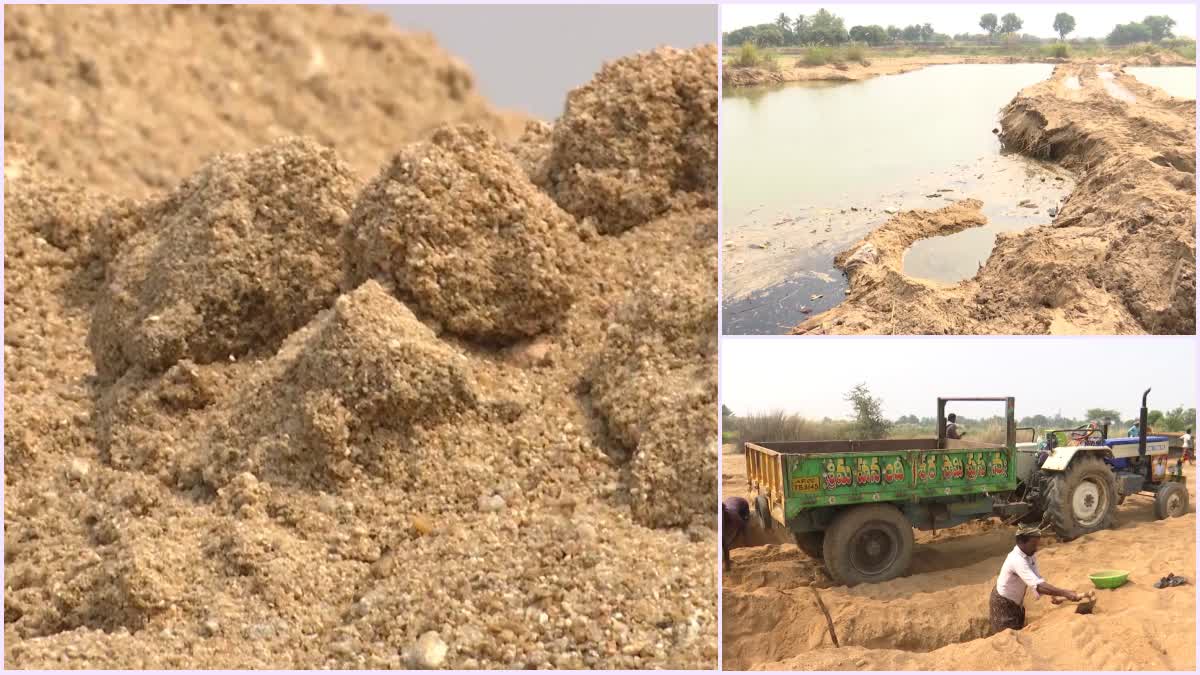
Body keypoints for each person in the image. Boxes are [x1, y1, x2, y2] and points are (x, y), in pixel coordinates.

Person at [990, 524, 1081, 634]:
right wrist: (1065, 593)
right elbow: (1038, 586)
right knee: (1006, 639)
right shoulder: (1016, 560)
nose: (1036, 548)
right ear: (1022, 542)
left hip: (1015, 602)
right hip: (1003, 603)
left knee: (1017, 634)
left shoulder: (1029, 554)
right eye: (1033, 544)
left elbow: (1037, 578)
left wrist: (1054, 595)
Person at [722, 496, 751, 572]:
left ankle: (727, 564)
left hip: (743, 506)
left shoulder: (734, 517)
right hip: (730, 502)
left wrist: (746, 543)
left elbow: (743, 526)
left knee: (745, 521)